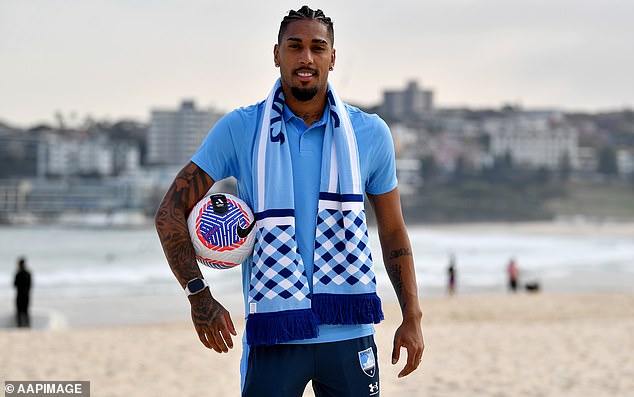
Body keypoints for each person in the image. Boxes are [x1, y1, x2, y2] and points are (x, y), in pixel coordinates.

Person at [155, 6, 424, 396]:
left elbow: (394, 232)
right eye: (294, 46)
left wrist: (412, 316)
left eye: (318, 47)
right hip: (274, 334)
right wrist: (199, 296)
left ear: (333, 58)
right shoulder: (241, 127)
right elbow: (169, 212)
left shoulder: (370, 134)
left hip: (349, 335)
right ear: (276, 54)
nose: (306, 58)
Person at [13, 257, 32, 327]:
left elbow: (14, 284)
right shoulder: (28, 273)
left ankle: (20, 325)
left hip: (19, 295)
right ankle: (27, 324)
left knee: (19, 311)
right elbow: (30, 285)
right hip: (26, 295)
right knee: (26, 311)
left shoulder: (18, 274)